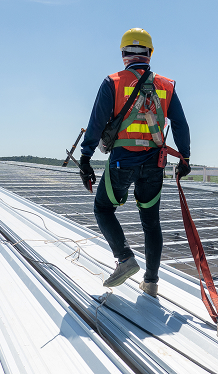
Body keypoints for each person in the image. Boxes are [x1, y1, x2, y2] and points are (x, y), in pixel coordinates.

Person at [79, 28, 191, 297]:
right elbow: (180, 124)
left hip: (121, 163)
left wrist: (85, 158)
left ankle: (125, 257)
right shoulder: (167, 85)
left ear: (123, 54)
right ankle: (151, 283)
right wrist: (185, 158)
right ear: (150, 54)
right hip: (154, 165)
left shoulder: (113, 82)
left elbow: (96, 124)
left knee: (103, 210)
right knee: (151, 222)